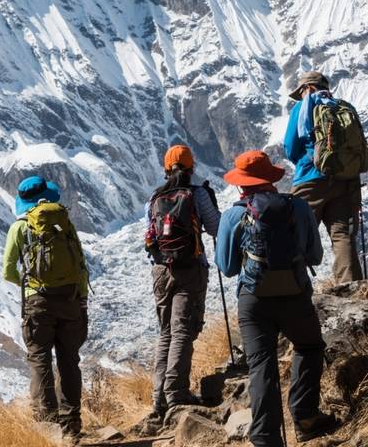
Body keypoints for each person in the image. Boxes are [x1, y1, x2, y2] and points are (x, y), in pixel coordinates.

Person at [216, 150, 339, 447]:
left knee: (261, 366)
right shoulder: (297, 207)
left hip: (253, 300)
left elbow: (228, 267)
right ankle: (306, 416)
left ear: (241, 184)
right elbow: (315, 255)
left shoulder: (234, 214)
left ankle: (265, 438)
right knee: (309, 346)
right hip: (295, 293)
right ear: (271, 178)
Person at [140, 144, 221, 429]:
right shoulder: (197, 194)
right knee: (183, 331)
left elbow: (150, 235)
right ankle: (177, 394)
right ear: (191, 167)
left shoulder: (155, 197)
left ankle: (158, 399)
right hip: (190, 268)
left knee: (166, 332)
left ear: (166, 168)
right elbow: (215, 227)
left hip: (161, 270)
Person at [2, 176, 89, 441]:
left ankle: (47, 424)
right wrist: (81, 297)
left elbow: (7, 270)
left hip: (37, 302)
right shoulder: (64, 222)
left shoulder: (20, 228)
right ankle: (71, 424)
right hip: (71, 299)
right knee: (69, 361)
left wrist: (29, 284)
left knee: (40, 359)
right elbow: (80, 263)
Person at [283, 70, 368, 284]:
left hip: (310, 180)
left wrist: (308, 161)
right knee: (342, 235)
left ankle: (293, 290)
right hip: (345, 179)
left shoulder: (303, 108)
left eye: (301, 91)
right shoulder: (344, 107)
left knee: (294, 236)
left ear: (308, 88)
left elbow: (290, 147)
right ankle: (351, 288)